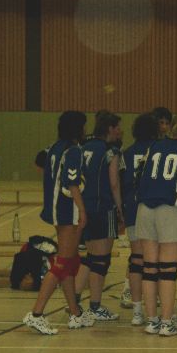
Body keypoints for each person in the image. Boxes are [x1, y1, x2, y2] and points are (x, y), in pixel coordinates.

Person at [23, 111, 94, 335]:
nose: (85, 129)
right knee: (62, 263)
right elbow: (71, 183)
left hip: (57, 209)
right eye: (83, 125)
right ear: (77, 128)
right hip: (67, 211)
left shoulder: (54, 147)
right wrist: (82, 210)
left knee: (71, 262)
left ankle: (75, 313)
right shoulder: (73, 150)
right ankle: (36, 314)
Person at [136, 115, 177, 337]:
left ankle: (152, 320)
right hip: (170, 208)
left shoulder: (153, 146)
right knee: (168, 270)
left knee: (150, 268)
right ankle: (167, 322)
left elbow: (139, 175)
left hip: (145, 208)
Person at [73, 111, 124, 321]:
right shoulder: (110, 152)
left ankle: (74, 301)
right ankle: (95, 306)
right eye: (118, 127)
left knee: (90, 257)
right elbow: (114, 183)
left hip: (84, 207)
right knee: (101, 260)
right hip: (103, 207)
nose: (120, 131)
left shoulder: (83, 147)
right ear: (110, 129)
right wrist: (121, 210)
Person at [119, 113, 159, 325]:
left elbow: (121, 183)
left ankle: (137, 311)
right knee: (156, 260)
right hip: (154, 208)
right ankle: (156, 308)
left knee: (137, 259)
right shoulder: (159, 150)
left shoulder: (127, 153)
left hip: (133, 209)